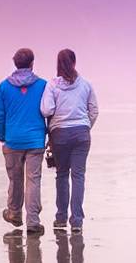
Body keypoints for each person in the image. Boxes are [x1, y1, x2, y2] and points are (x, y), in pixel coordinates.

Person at [40, 49, 98, 233]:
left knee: (62, 175)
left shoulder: (52, 85)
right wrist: (85, 126)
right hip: (82, 134)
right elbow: (94, 110)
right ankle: (77, 222)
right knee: (78, 176)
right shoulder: (86, 84)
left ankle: (61, 218)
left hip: (60, 135)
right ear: (74, 62)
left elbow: (46, 110)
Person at [0, 48, 48, 235]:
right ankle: (33, 221)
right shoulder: (42, 86)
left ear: (15, 63)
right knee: (33, 180)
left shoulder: (3, 87)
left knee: (15, 179)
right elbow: (50, 111)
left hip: (13, 140)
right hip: (35, 140)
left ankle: (15, 213)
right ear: (32, 64)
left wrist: (2, 135)